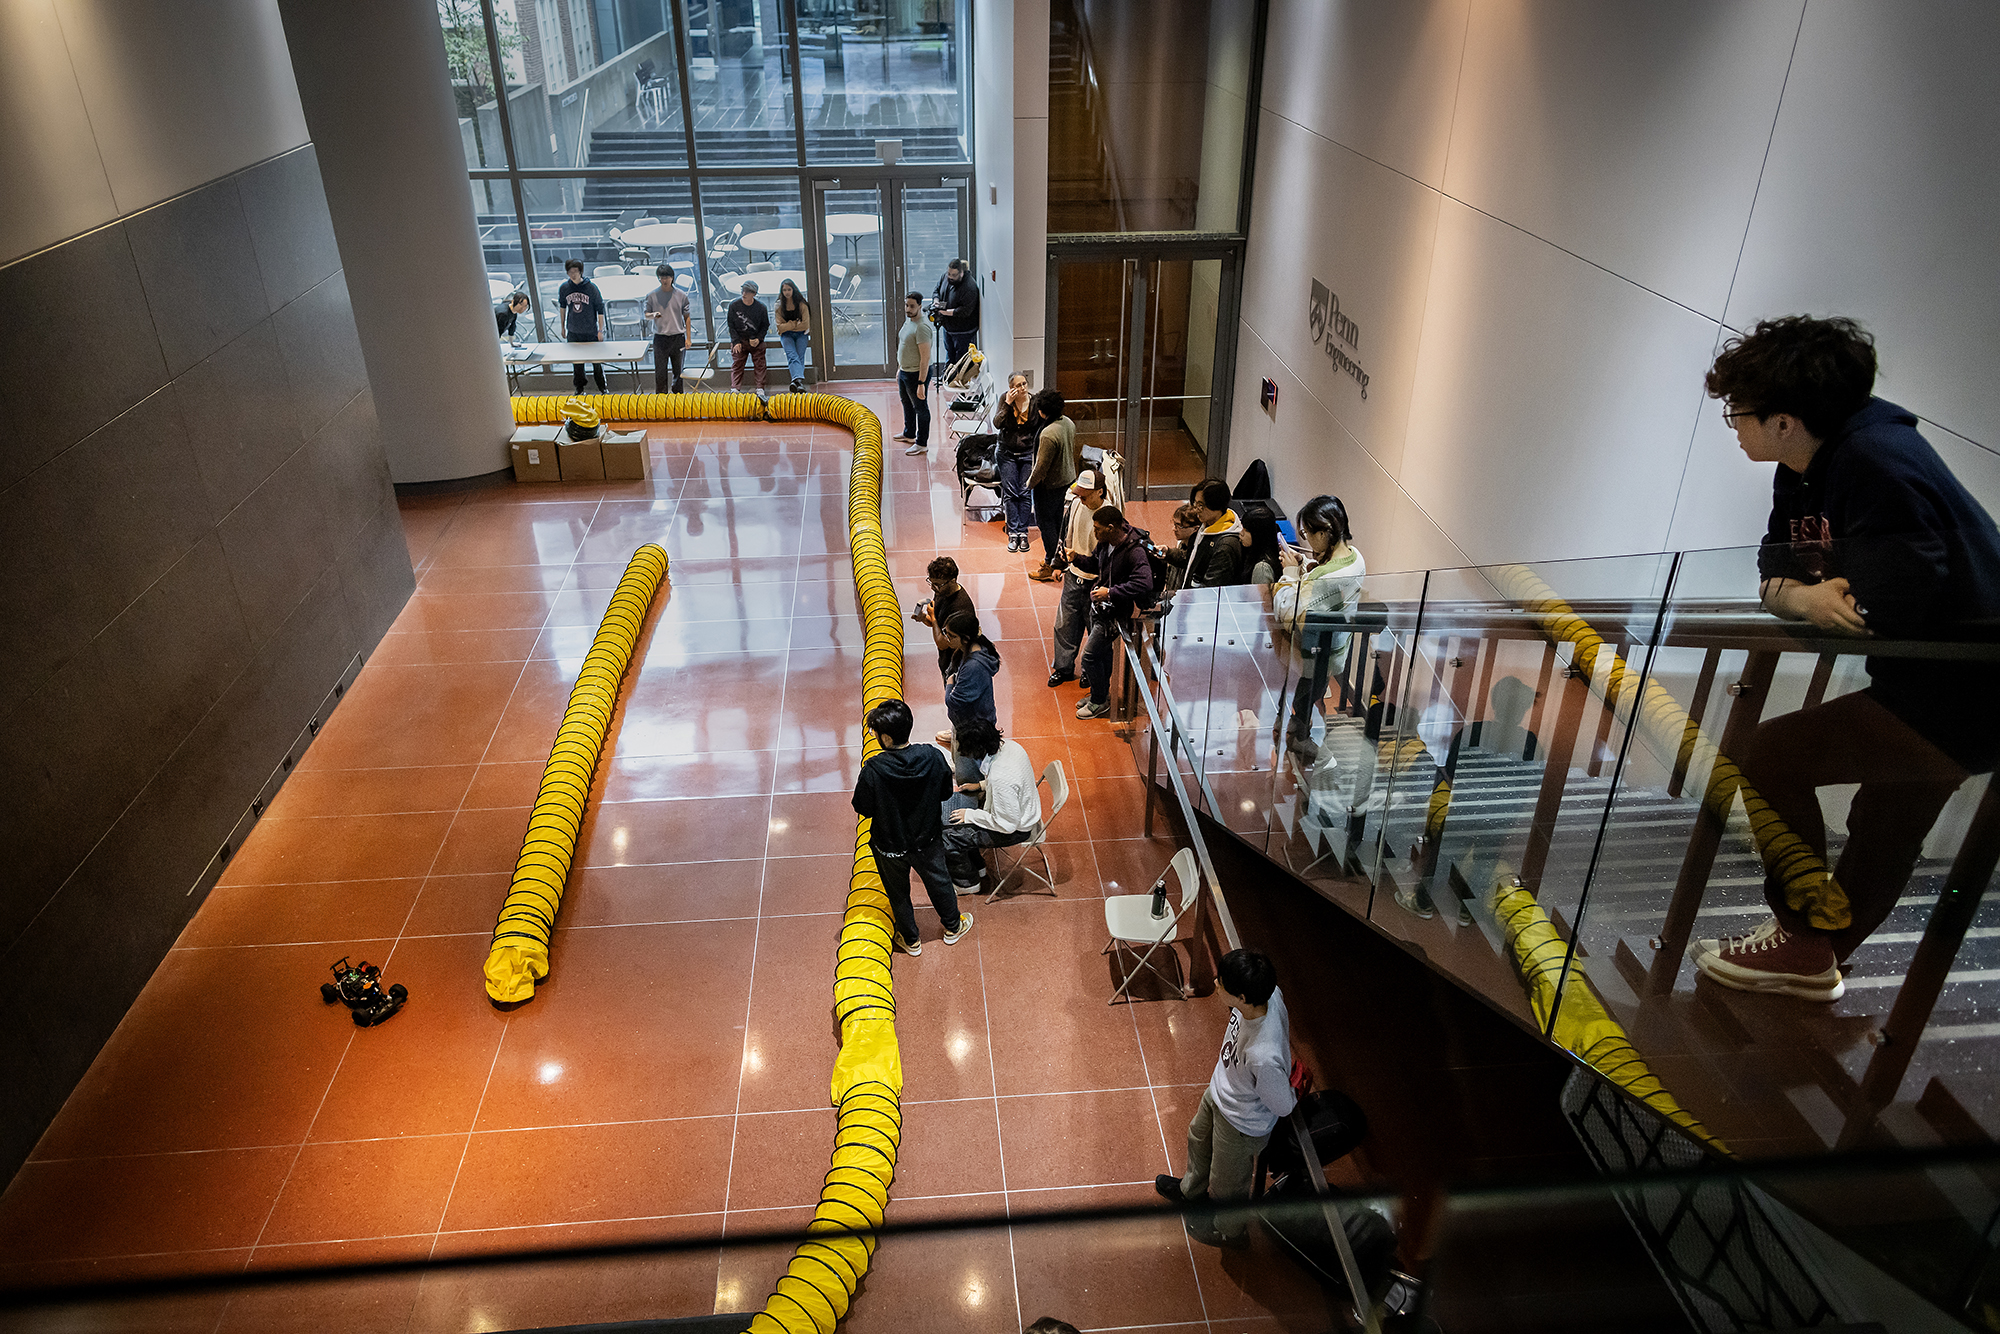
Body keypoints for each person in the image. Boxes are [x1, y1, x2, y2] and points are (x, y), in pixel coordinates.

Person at [1694, 315, 2000, 1001]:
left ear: (1784, 421)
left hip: (1968, 691)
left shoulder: (1877, 460)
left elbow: (1897, 597)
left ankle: (1804, 940)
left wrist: (1820, 591)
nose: (1734, 427)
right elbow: (1776, 570)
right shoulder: (1803, 469)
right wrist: (1801, 599)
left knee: (1771, 754)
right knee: (1885, 823)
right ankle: (1815, 955)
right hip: (1929, 681)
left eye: (1737, 414)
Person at [1155, 949, 1296, 1247]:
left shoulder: (1263, 1055)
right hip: (1221, 1092)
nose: (1216, 984)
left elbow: (1283, 1105)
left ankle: (1230, 1232)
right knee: (1198, 1138)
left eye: (1222, 983)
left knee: (1227, 1183)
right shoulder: (1267, 995)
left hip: (1241, 1122)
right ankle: (1190, 1192)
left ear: (1242, 998)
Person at [851, 698, 973, 954]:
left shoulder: (873, 770)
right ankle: (952, 926)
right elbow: (944, 793)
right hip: (927, 839)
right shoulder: (931, 756)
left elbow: (863, 807)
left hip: (889, 845)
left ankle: (911, 939)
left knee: (898, 892)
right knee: (940, 882)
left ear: (885, 737)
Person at [1274, 494, 1366, 752]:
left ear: (1325, 532)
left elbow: (1290, 615)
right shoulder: (1355, 557)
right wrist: (1308, 566)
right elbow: (1325, 589)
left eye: (1307, 533)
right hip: (1334, 650)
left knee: (1303, 694)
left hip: (1310, 654)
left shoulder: (1325, 577)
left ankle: (1297, 738)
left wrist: (1290, 574)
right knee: (1312, 692)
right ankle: (1295, 727)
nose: (1306, 539)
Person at [1070, 504, 1157, 720]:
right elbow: (1096, 566)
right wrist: (1076, 558)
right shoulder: (1105, 543)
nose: (1094, 532)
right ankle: (1100, 695)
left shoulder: (1134, 550)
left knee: (1089, 657)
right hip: (1100, 609)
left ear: (1111, 527)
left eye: (1098, 528)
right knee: (1103, 653)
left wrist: (1110, 593)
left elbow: (1144, 583)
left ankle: (1099, 701)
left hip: (1115, 613)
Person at [942, 718, 1043, 894]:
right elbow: (1010, 779)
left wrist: (971, 815)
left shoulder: (1000, 778)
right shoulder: (1010, 747)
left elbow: (1007, 825)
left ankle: (968, 883)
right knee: (961, 825)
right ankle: (979, 866)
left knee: (948, 837)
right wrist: (980, 785)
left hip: (1016, 829)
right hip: (1022, 810)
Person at [1044, 468, 1113, 686]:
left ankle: (1089, 671)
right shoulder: (1075, 505)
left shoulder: (1111, 515)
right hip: (1074, 576)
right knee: (1065, 625)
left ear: (1100, 492)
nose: (1080, 498)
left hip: (1098, 581)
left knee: (1095, 629)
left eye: (1085, 494)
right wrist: (1058, 564)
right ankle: (1063, 668)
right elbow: (1065, 536)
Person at [1027, 388, 1079, 577]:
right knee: (1058, 522)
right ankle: (1061, 559)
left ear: (1042, 411)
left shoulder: (1048, 434)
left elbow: (1041, 467)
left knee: (1046, 524)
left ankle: (1050, 564)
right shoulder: (1067, 423)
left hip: (1049, 486)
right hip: (1067, 480)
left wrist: (1029, 484)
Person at [937, 610, 1001, 756]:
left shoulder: (973, 667)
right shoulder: (971, 648)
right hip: (968, 722)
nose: (947, 638)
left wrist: (949, 684)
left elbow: (953, 702)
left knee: (969, 770)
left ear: (965, 638)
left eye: (951, 636)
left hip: (974, 730)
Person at [911, 556, 975, 682]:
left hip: (959, 665)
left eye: (937, 585)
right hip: (947, 660)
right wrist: (924, 617)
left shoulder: (960, 609)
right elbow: (939, 625)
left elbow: (942, 643)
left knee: (955, 698)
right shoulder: (943, 591)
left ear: (952, 581)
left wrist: (933, 617)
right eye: (931, 582)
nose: (933, 588)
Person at [1175, 479, 1248, 588]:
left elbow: (1210, 590)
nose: (1196, 510)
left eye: (1201, 505)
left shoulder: (1225, 546)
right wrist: (1168, 553)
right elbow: (1194, 559)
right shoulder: (1206, 525)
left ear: (1216, 505)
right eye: (1195, 504)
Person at [995, 373, 1038, 552]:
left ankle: (1023, 532)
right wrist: (1007, 404)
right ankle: (1013, 532)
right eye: (1018, 385)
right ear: (1011, 387)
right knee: (1011, 493)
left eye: (1024, 384)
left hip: (1027, 452)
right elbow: (997, 423)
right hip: (1007, 452)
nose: (1022, 388)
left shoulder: (1035, 402)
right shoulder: (1004, 400)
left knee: (1025, 492)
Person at [557, 259, 607, 393]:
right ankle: (579, 388)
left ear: (580, 272)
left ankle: (602, 387)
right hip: (573, 330)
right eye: (570, 272)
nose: (573, 275)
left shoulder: (591, 288)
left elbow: (600, 309)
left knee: (597, 362)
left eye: (575, 271)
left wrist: (600, 330)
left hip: (590, 330)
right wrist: (562, 326)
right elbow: (562, 307)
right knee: (577, 362)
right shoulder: (564, 288)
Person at [643, 265, 691, 394]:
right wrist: (653, 315)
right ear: (658, 278)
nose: (664, 280)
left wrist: (688, 338)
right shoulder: (652, 295)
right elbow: (646, 314)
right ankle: (661, 398)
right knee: (660, 371)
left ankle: (678, 397)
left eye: (667, 277)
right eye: (662, 277)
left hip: (678, 337)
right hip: (660, 338)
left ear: (672, 277)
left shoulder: (681, 295)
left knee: (678, 371)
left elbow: (687, 317)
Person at [895, 292, 933, 454]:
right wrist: (900, 368)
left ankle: (922, 443)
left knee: (920, 408)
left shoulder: (922, 327)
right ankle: (909, 433)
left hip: (916, 374)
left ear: (919, 306)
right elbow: (905, 345)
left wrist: (921, 383)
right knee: (906, 403)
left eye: (912, 306)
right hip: (905, 371)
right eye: (906, 305)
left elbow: (925, 358)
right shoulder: (909, 321)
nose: (908, 309)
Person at [934, 258, 981, 368]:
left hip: (963, 332)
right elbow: (936, 290)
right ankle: (949, 376)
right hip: (948, 327)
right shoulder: (945, 277)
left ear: (961, 273)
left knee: (961, 361)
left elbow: (965, 311)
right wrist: (936, 301)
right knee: (949, 355)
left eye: (953, 275)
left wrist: (945, 312)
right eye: (949, 273)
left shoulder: (969, 287)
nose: (950, 277)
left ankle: (958, 381)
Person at [727, 279, 770, 390]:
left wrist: (759, 339)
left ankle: (760, 388)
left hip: (755, 339)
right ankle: (735, 388)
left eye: (747, 291)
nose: (744, 293)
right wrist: (736, 341)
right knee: (737, 364)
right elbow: (731, 325)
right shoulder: (734, 305)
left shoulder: (761, 308)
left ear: (754, 294)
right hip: (740, 339)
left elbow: (765, 326)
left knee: (760, 364)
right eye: (743, 290)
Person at [774, 278, 811, 393]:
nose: (787, 292)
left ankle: (796, 382)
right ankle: (799, 383)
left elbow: (805, 324)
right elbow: (780, 327)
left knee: (799, 357)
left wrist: (788, 325)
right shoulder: (779, 305)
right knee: (792, 356)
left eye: (789, 289)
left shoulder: (802, 305)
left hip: (801, 334)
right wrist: (795, 323)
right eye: (784, 290)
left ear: (793, 290)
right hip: (786, 335)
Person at [1241, 503, 1284, 585]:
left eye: (1246, 530)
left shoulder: (1262, 568)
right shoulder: (1257, 553)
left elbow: (1260, 597)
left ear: (1258, 534)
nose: (1241, 534)